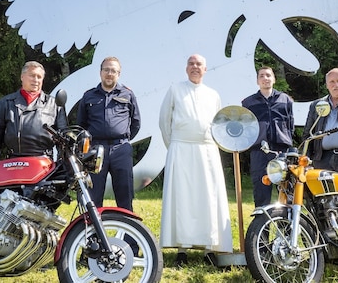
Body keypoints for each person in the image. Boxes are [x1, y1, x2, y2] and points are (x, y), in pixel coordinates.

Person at [159, 54, 233, 266]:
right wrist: (175, 145)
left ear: (205, 69)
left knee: (208, 198)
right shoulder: (175, 90)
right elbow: (164, 121)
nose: (195, 67)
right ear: (186, 68)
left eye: (199, 64)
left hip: (207, 151)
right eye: (191, 64)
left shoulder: (213, 94)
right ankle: (182, 249)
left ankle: (209, 248)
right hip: (181, 149)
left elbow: (218, 123)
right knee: (182, 198)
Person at [77, 56, 141, 211]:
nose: (109, 73)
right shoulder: (88, 96)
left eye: (113, 70)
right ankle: (93, 234)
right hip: (96, 150)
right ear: (100, 72)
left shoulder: (128, 94)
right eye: (106, 69)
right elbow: (81, 125)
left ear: (118, 74)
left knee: (125, 195)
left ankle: (128, 234)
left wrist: (121, 138)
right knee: (93, 196)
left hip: (121, 149)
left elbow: (136, 123)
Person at [0, 61, 67, 165]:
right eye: (32, 76)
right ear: (22, 77)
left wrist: (62, 161)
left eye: (39, 77)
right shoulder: (6, 103)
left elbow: (63, 138)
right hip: (13, 162)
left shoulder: (54, 104)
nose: (36, 80)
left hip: (44, 163)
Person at [242, 66, 294, 207]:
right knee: (261, 195)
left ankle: (286, 228)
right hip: (259, 153)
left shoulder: (285, 100)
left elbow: (290, 126)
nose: (265, 78)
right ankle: (261, 228)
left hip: (281, 152)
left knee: (286, 194)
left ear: (274, 79)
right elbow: (246, 128)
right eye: (262, 76)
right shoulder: (248, 103)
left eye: (268, 75)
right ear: (257, 81)